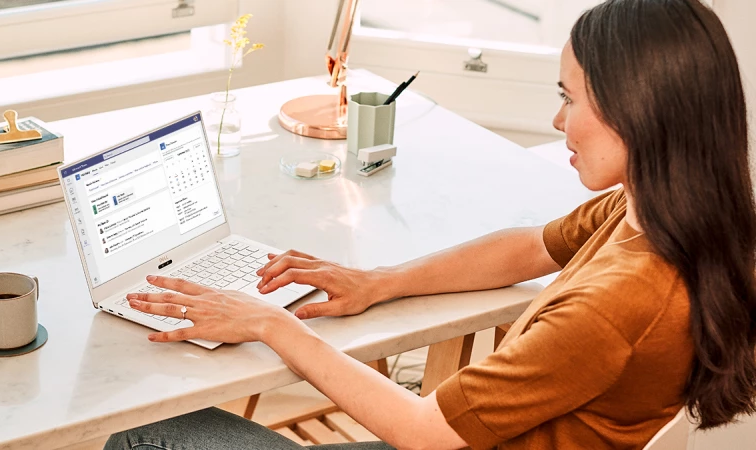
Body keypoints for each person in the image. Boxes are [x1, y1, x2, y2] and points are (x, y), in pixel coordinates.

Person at [106, 0, 756, 448]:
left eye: (569, 97)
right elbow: (528, 248)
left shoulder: (620, 305)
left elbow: (421, 430)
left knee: (145, 437)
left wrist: (268, 322)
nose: (559, 121)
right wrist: (378, 281)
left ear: (637, 111)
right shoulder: (653, 214)